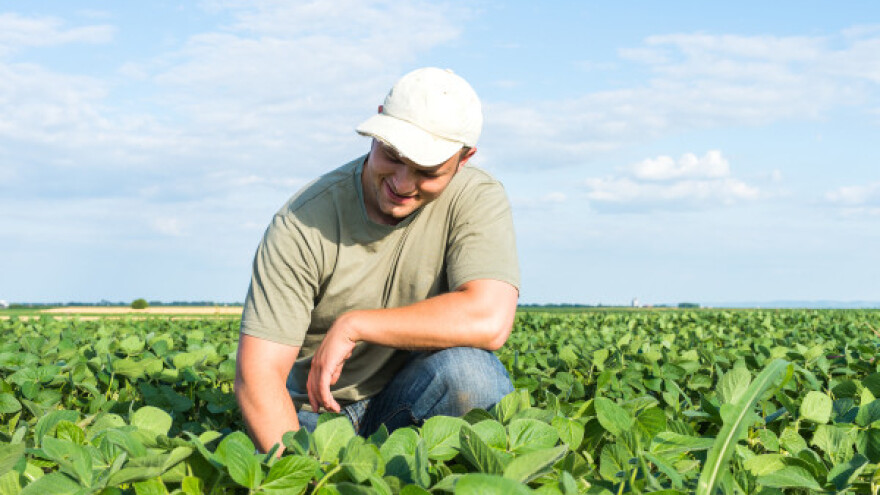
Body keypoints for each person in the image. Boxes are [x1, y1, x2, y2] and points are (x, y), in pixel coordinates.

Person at [234, 67, 520, 453]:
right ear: (380, 121)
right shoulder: (303, 222)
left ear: (464, 158)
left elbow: (489, 318)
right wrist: (301, 477)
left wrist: (356, 325)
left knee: (474, 378)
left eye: (427, 171)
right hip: (314, 415)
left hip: (409, 399)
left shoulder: (477, 199)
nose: (402, 183)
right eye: (392, 155)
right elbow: (258, 375)